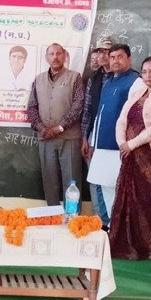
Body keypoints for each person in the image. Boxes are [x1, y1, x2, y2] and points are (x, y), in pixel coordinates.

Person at [109, 56, 151, 259]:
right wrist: (122, 143)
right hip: (131, 156)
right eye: (144, 71)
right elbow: (122, 120)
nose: (148, 75)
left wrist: (131, 144)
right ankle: (130, 244)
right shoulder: (138, 92)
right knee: (132, 200)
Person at [86, 44, 143, 218]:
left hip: (120, 147)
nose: (115, 61)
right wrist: (93, 142)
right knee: (105, 187)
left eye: (120, 57)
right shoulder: (109, 81)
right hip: (102, 145)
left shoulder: (136, 82)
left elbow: (138, 117)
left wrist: (130, 144)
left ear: (129, 59)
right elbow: (100, 114)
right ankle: (111, 225)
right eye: (112, 57)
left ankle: (121, 229)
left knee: (121, 190)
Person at [27, 43, 84, 206]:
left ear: (64, 56)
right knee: (49, 181)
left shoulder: (75, 77)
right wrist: (41, 128)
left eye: (59, 53)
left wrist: (60, 127)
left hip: (69, 138)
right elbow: (31, 107)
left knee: (71, 181)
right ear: (46, 58)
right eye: (51, 54)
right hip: (45, 138)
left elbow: (78, 105)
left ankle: (72, 216)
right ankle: (52, 215)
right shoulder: (38, 80)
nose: (55, 57)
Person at [81, 40, 113, 225]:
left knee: (110, 183)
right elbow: (87, 111)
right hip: (93, 139)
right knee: (94, 181)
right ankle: (98, 222)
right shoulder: (93, 79)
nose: (102, 55)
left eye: (107, 51)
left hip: (113, 142)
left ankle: (111, 223)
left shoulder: (123, 78)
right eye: (99, 51)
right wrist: (85, 138)